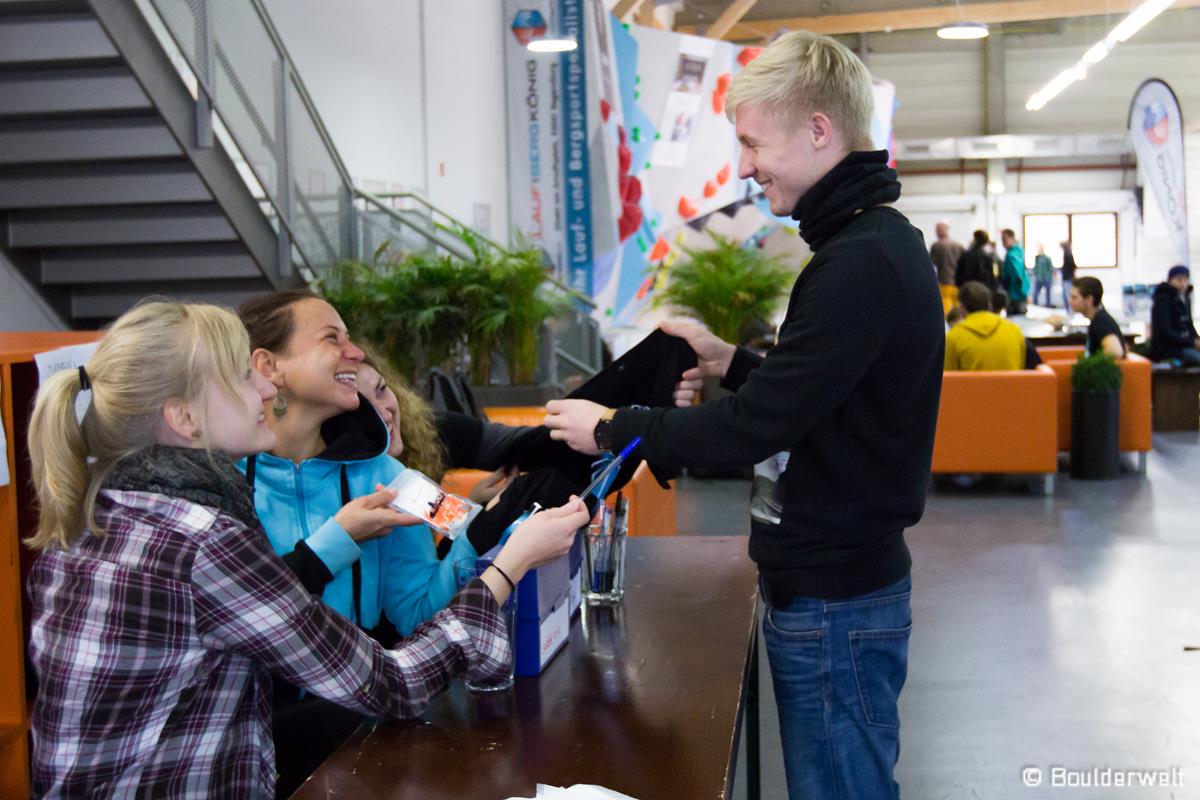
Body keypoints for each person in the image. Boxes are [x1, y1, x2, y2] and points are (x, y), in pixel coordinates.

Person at [544, 30, 942, 800]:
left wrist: (612, 427)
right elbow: (820, 399)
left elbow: (751, 428)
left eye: (755, 144)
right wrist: (730, 360)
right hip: (834, 592)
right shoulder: (865, 247)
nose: (746, 167)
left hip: (834, 602)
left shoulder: (858, 263)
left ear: (819, 130)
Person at [24, 300, 588, 797]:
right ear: (184, 418)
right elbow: (392, 684)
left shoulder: (93, 518)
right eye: (242, 376)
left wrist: (480, 535)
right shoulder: (205, 539)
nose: (265, 390)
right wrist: (509, 565)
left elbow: (415, 605)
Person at [237, 290, 523, 795]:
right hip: (246, 741)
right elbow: (240, 611)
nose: (356, 353)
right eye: (332, 339)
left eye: (350, 339)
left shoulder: (391, 474)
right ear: (268, 366)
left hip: (357, 728)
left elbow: (418, 612)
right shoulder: (223, 477)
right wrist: (340, 538)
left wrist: (484, 532)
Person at [944, 281, 1026, 371]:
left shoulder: (953, 337)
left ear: (961, 307)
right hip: (1011, 381)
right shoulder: (1014, 331)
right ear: (989, 304)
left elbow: (948, 375)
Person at [1149, 265, 1200, 366]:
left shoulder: (1185, 299)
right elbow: (1165, 332)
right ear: (1170, 280)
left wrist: (1196, 340)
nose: (1182, 284)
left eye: (1185, 279)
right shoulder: (1162, 300)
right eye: (1178, 279)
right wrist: (1192, 343)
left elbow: (1189, 325)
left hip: (1184, 345)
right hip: (1167, 349)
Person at [1069, 277, 1126, 359]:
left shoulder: (1101, 322)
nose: (1070, 301)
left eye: (1074, 297)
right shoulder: (1098, 319)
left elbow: (1115, 351)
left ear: (1089, 299)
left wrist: (1091, 363)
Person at [999, 229, 1029, 315]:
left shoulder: (1012, 255)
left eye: (1004, 239)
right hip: (1018, 294)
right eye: (1002, 240)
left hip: (1015, 295)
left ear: (1012, 238)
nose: (1003, 243)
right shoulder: (1019, 251)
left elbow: (1017, 275)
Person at [930, 220, 965, 287]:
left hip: (944, 282)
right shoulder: (959, 245)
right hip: (958, 283)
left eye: (937, 229)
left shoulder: (936, 245)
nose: (936, 232)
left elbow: (931, 263)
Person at [1060, 239, 1077, 310]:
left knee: (1067, 295)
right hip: (1067, 277)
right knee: (1065, 295)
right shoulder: (1067, 254)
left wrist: (1072, 275)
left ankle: (1070, 311)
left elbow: (1073, 266)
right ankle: (1068, 311)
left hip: (1067, 278)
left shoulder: (1068, 254)